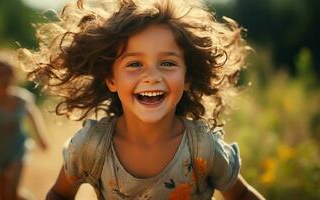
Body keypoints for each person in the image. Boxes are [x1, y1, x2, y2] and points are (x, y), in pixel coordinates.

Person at [19, 0, 265, 199]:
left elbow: (241, 195)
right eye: (135, 64)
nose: (151, 77)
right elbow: (59, 194)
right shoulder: (93, 147)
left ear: (187, 78)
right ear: (111, 79)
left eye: (167, 63)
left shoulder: (202, 147)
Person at [0, 54, 48, 200]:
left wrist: (41, 137)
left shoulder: (22, 98)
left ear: (14, 76)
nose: (4, 79)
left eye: (8, 74)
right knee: (4, 197)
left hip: (17, 149)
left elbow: (33, 115)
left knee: (10, 191)